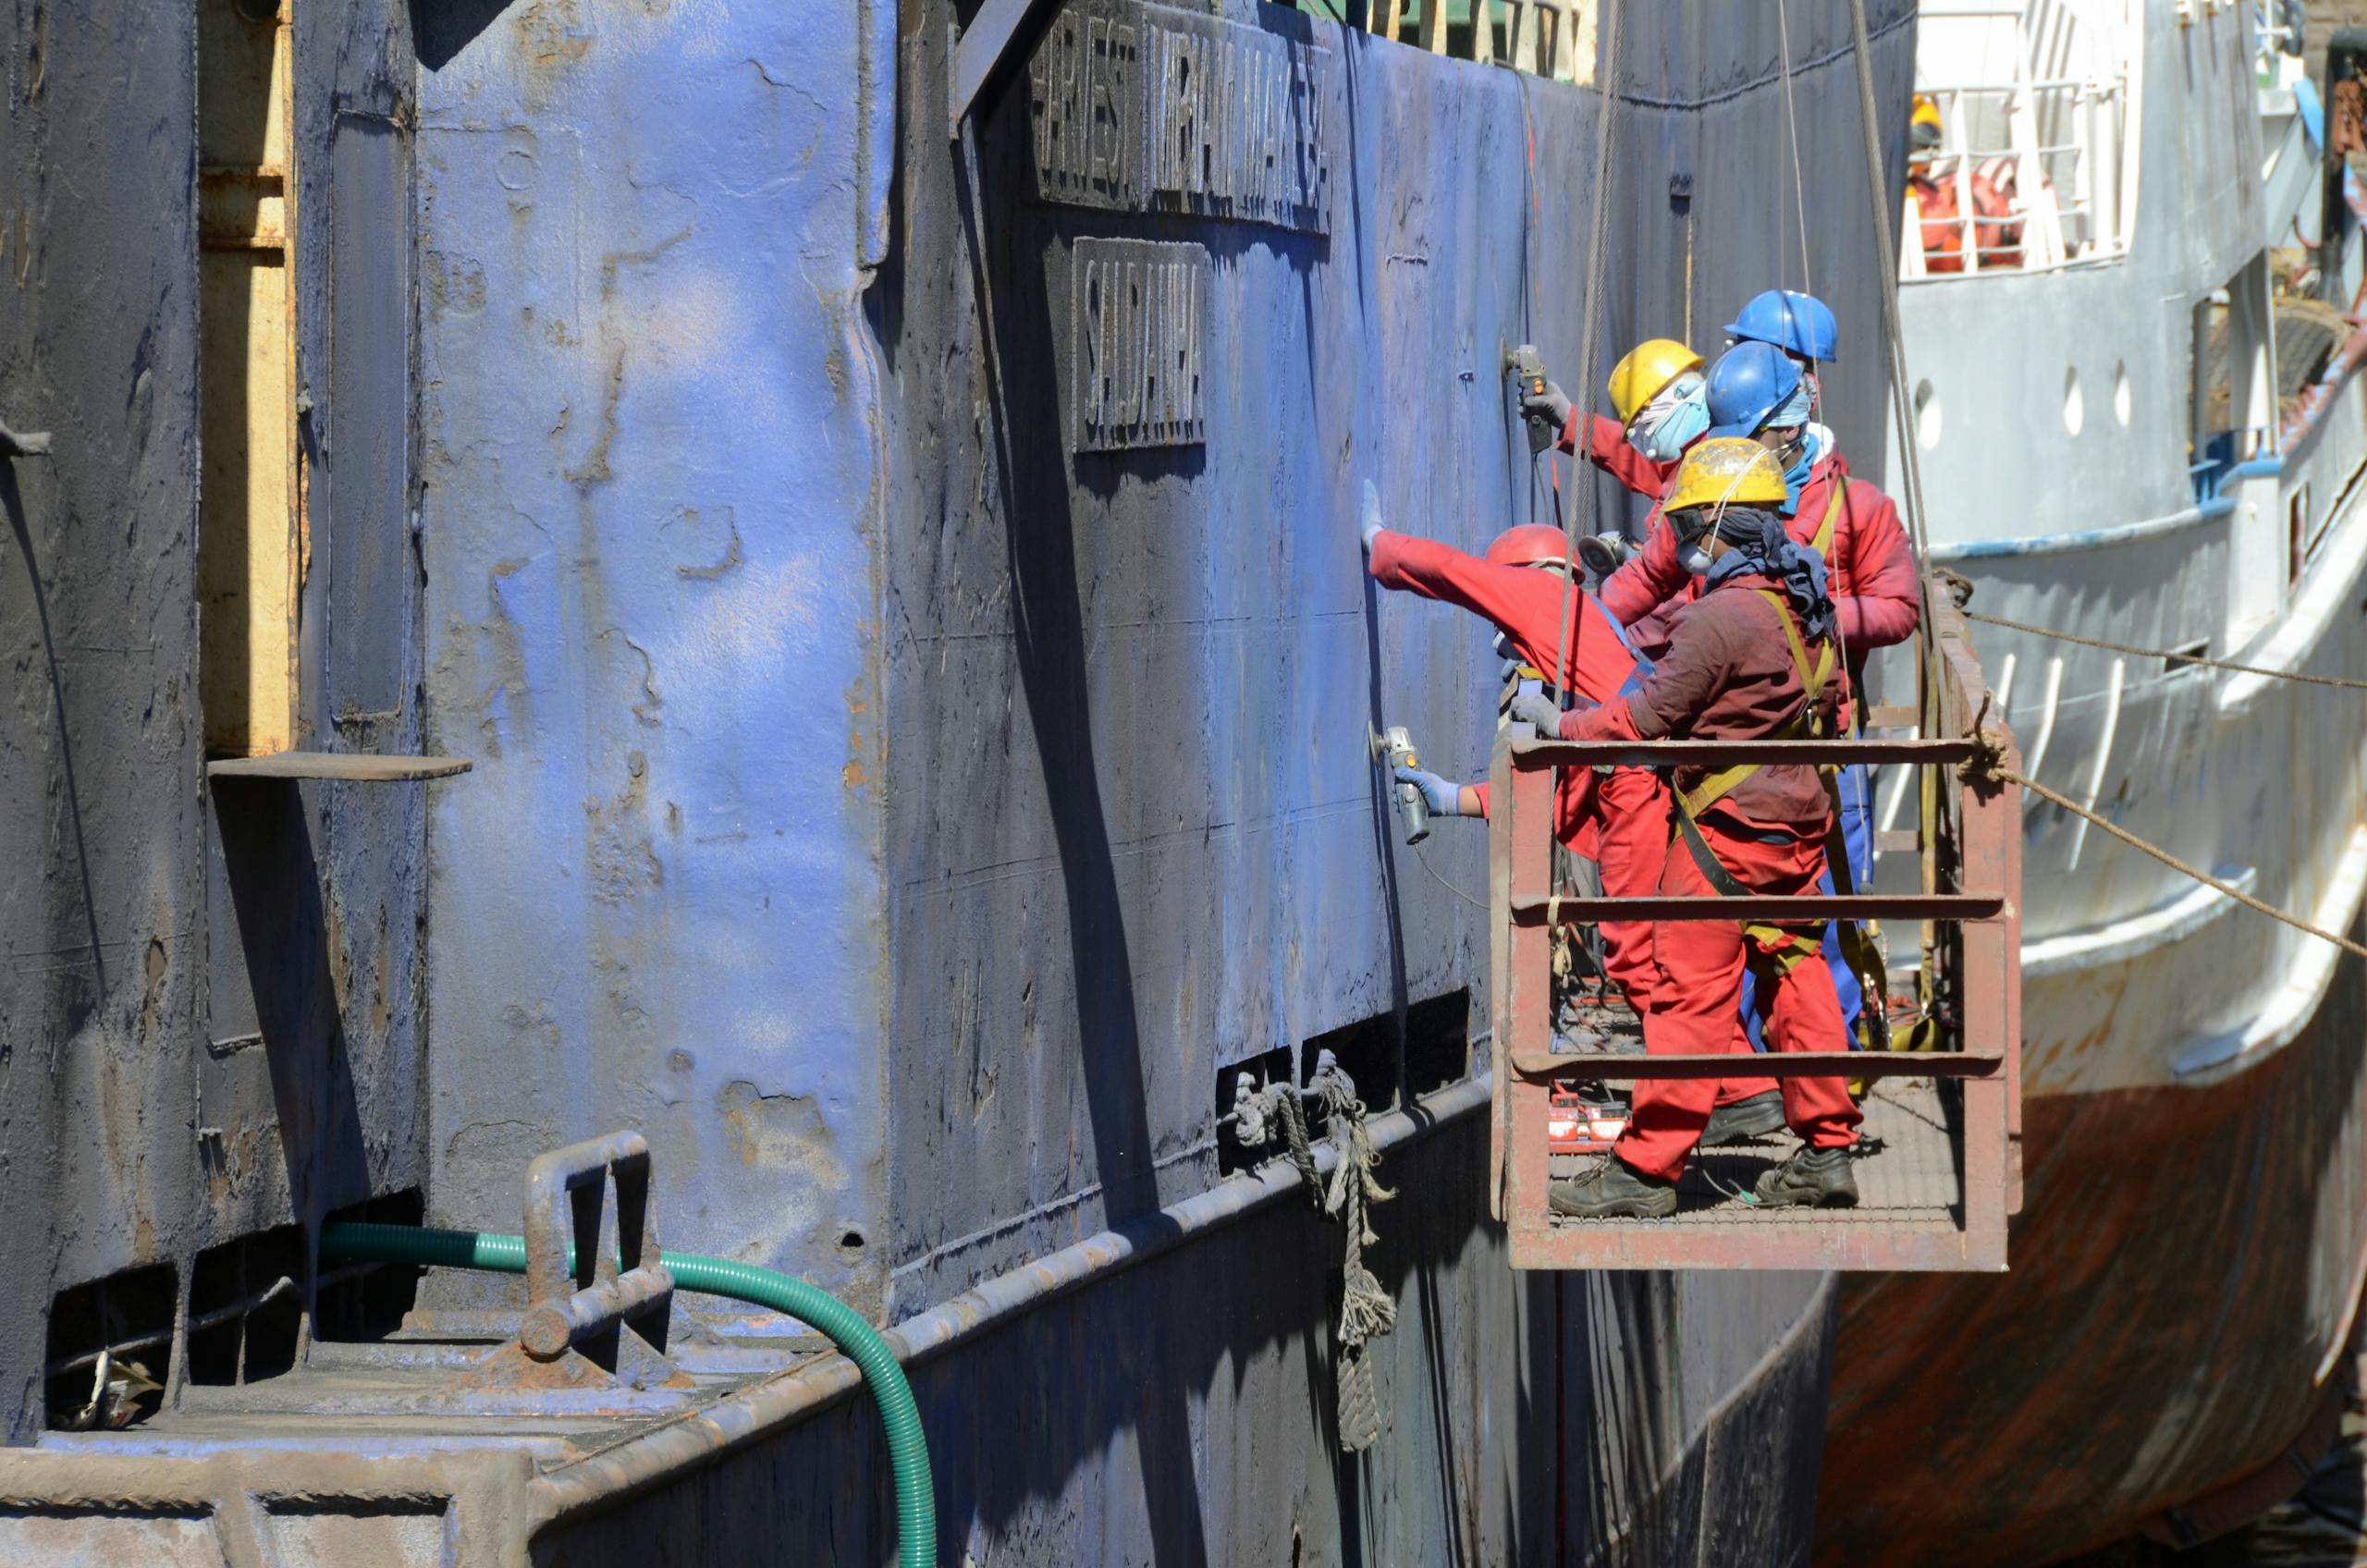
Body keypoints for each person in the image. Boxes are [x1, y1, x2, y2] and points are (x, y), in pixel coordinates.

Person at [1517, 440, 1863, 1218]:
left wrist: (1559, 723)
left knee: (1686, 998)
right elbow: (1835, 710)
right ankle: (1828, 1151)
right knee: (1796, 971)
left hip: (1724, 837)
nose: (1675, 543)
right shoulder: (1807, 607)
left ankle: (1644, 1172)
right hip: (1797, 830)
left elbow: (1646, 720)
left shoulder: (1718, 618)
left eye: (1683, 528)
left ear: (1713, 525)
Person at [1363, 517, 1783, 1137]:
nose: (1501, 634)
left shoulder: (1543, 599)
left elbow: (1456, 575)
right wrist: (1455, 798)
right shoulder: (1584, 631)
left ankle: (1737, 1090)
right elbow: (1559, 801)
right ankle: (1740, 1087)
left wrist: (1381, 546)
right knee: (1662, 952)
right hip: (1643, 782)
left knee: (1642, 954)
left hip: (1636, 784)